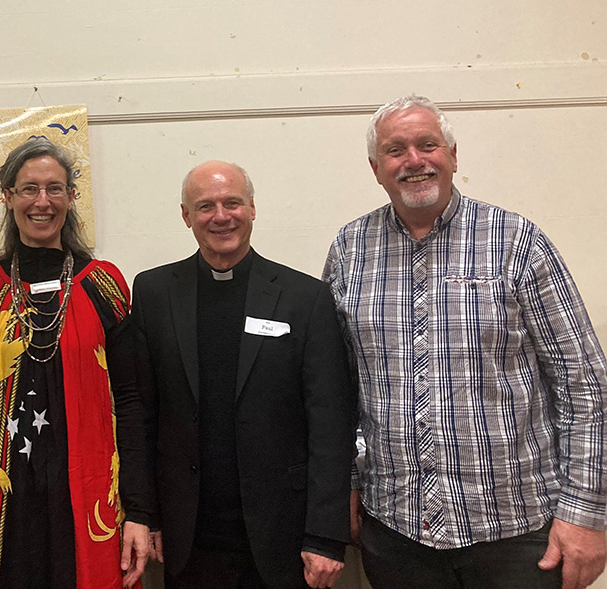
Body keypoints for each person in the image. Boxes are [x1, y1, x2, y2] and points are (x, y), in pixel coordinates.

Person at [324, 95, 607, 589]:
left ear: (453, 154)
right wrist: (344, 485)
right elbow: (336, 388)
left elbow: (583, 382)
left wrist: (586, 513)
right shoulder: (350, 249)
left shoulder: (516, 241)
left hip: (517, 534)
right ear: (376, 168)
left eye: (427, 144)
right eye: (396, 150)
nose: (414, 160)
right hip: (396, 532)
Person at [0, 137, 153, 589]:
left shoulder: (103, 286)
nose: (42, 201)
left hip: (83, 491)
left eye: (55, 189)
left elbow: (130, 402)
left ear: (72, 198)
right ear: (7, 196)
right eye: (29, 188)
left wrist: (142, 512)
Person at [132, 161, 354, 589]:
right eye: (205, 206)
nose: (221, 216)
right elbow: (142, 415)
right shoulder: (153, 293)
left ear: (252, 208)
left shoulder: (305, 299)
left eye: (232, 202)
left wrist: (326, 536)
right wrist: (145, 513)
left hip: (284, 540)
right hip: (187, 541)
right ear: (186, 216)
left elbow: (331, 423)